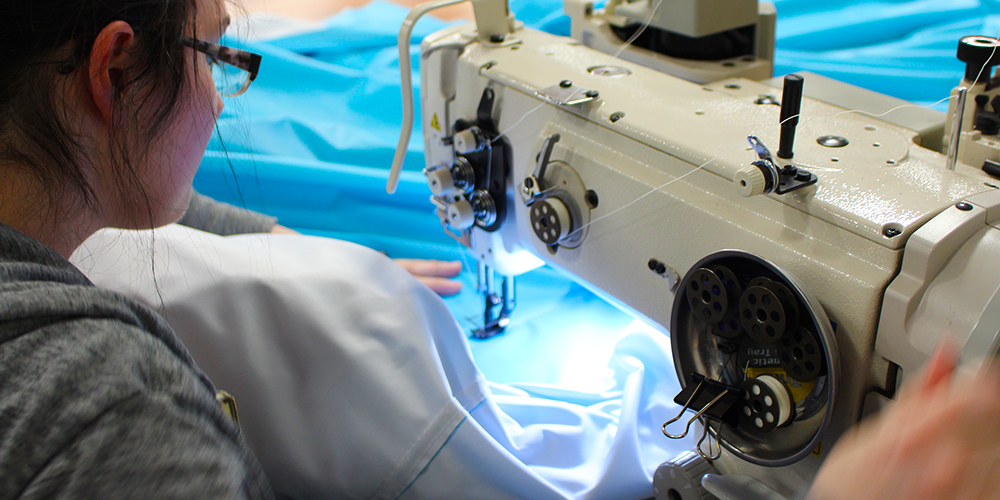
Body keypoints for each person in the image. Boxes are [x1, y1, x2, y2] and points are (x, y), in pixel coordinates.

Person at [0, 0, 275, 496]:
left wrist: (271, 236)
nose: (217, 100)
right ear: (118, 69)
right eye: (210, 58)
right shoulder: (126, 415)